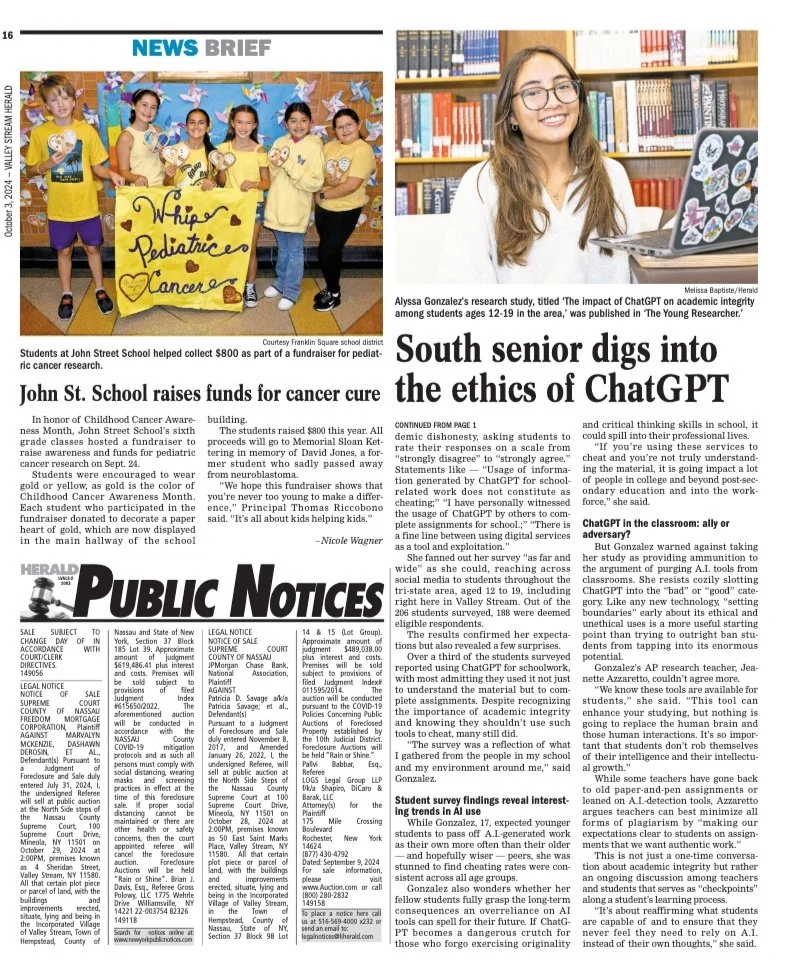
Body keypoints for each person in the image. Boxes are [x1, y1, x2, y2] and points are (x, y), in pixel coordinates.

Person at [436, 46, 636, 285]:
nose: (553, 102)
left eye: (563, 86)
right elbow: (461, 285)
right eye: (533, 92)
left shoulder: (612, 174)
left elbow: (635, 271)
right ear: (511, 114)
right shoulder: (482, 183)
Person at [25, 74, 125, 321]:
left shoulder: (85, 131)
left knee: (93, 248)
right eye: (53, 99)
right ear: (46, 105)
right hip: (59, 209)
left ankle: (100, 289)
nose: (60, 104)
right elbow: (30, 170)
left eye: (64, 97)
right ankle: (66, 293)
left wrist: (112, 174)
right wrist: (48, 163)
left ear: (73, 100)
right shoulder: (40, 134)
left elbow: (96, 167)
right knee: (64, 251)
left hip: (86, 206)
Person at [262, 102, 324, 312]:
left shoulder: (314, 147)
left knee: (295, 251)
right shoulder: (280, 142)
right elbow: (272, 175)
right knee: (283, 249)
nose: (298, 125)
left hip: (297, 208)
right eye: (293, 121)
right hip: (277, 205)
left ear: (311, 123)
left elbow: (315, 182)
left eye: (303, 120)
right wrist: (274, 164)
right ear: (286, 123)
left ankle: (291, 290)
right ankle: (280, 282)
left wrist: (288, 165)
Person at [312, 109, 375, 312]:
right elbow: (318, 175)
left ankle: (334, 293)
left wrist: (323, 195)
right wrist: (325, 182)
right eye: (340, 126)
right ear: (334, 130)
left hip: (345, 211)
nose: (345, 129)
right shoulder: (329, 146)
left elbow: (352, 185)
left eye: (349, 124)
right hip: (324, 209)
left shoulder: (363, 150)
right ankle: (331, 287)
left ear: (358, 125)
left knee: (326, 253)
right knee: (331, 251)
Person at [216, 105, 270, 308]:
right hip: (229, 206)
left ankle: (250, 286)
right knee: (229, 246)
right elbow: (221, 182)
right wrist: (222, 169)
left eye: (248, 123)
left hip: (252, 205)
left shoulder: (259, 150)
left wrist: (254, 184)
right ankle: (231, 284)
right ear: (232, 123)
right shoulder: (222, 149)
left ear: (254, 125)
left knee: (249, 248)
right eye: (239, 122)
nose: (243, 127)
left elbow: (266, 182)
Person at [115, 88, 166, 188]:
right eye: (144, 105)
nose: (148, 111)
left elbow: (163, 163)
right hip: (140, 191)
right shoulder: (126, 137)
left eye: (153, 107)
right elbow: (123, 171)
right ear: (133, 105)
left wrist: (163, 157)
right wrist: (136, 178)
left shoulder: (158, 131)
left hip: (161, 189)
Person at [163, 108, 218, 191]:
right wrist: (168, 177)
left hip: (203, 198)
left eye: (201, 123)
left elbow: (213, 181)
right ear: (186, 127)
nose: (196, 126)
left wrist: (211, 184)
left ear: (207, 128)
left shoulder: (212, 154)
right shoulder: (174, 151)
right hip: (179, 198)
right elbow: (167, 186)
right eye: (192, 122)